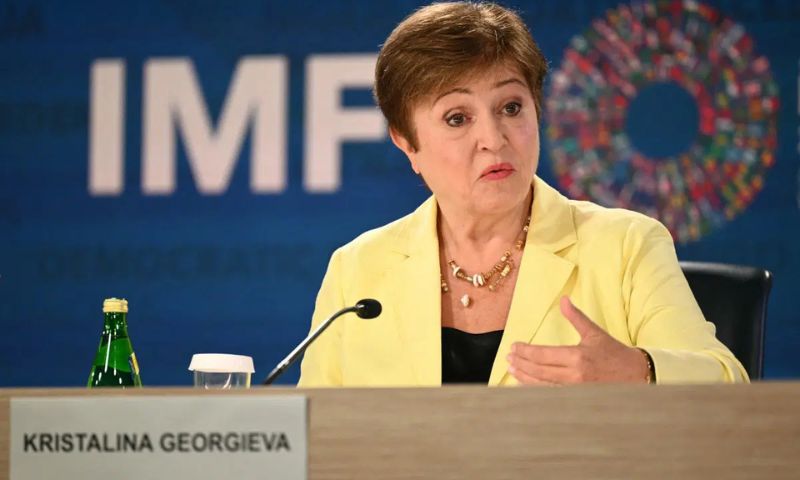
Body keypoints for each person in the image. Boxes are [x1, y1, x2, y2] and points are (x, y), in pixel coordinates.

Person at [298, 1, 748, 387]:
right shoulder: (358, 270)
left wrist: (639, 371)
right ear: (406, 142)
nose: (493, 139)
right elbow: (311, 432)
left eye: (511, 107)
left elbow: (728, 386)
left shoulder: (625, 246)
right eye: (457, 118)